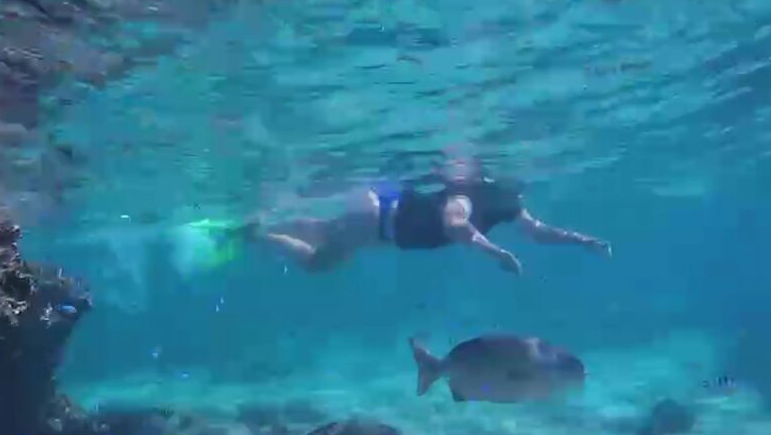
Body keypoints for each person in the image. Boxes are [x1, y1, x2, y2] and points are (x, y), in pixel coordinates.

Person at [250, 158, 611, 275]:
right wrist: (496, 253)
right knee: (318, 262)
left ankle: (261, 226)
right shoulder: (473, 196)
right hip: (379, 217)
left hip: (380, 215)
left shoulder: (505, 202)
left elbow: (538, 231)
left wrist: (583, 241)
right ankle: (257, 235)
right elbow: (455, 225)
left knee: (326, 230)